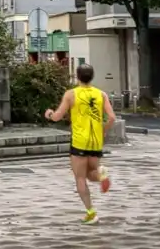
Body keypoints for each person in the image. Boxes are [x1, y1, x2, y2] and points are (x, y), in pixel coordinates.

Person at [45, 63, 116, 224]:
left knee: (80, 178)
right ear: (92, 76)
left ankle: (91, 213)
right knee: (92, 173)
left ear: (77, 76)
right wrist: (103, 130)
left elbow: (57, 116)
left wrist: (49, 114)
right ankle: (102, 174)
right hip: (96, 141)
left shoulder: (71, 94)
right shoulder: (101, 94)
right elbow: (112, 117)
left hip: (79, 140)